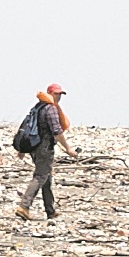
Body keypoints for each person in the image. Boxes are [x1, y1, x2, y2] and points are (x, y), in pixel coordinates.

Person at [14, 83, 78, 221]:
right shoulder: (50, 109)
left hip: (34, 148)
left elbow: (25, 127)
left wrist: (23, 149)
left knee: (46, 178)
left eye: (60, 94)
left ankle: (50, 210)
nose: (59, 96)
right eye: (56, 94)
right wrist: (68, 148)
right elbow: (57, 132)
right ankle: (24, 206)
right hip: (44, 148)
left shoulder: (38, 107)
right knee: (40, 176)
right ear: (50, 93)